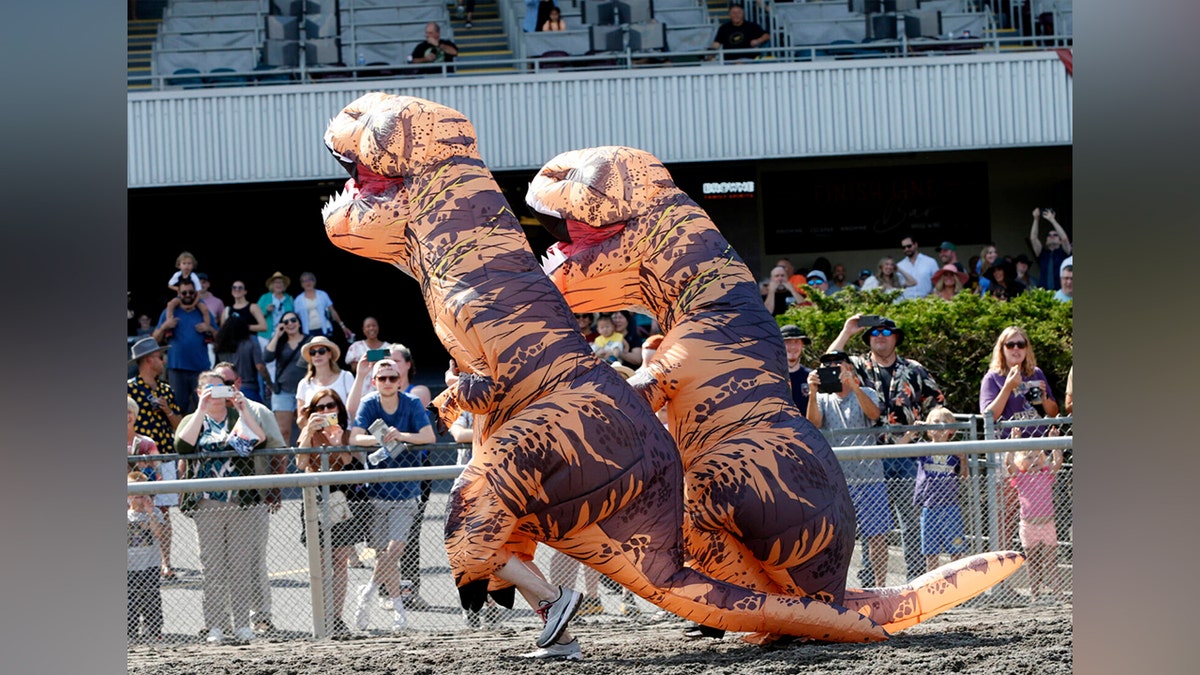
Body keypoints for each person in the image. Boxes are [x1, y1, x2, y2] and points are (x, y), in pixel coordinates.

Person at [827, 314, 946, 582]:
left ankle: (916, 578)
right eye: (874, 332)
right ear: (868, 339)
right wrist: (847, 331)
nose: (880, 335)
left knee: (912, 520)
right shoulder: (857, 366)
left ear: (895, 337)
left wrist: (922, 428)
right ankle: (871, 580)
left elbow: (937, 403)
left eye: (886, 331)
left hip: (907, 455)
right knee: (873, 524)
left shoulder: (914, 369)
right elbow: (830, 363)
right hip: (869, 456)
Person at [175, 370, 270, 645]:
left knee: (240, 566)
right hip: (207, 503)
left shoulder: (235, 418)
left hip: (239, 502)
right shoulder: (193, 420)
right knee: (213, 567)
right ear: (199, 391)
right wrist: (201, 408)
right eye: (210, 389)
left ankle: (242, 625)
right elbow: (183, 445)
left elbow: (259, 439)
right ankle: (215, 624)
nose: (216, 394)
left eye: (221, 388)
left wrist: (243, 408)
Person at [349, 359, 436, 632]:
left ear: (399, 380)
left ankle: (368, 592)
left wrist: (402, 436)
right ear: (374, 381)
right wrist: (381, 439)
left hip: (407, 490)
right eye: (381, 378)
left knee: (395, 549)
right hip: (376, 490)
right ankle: (399, 612)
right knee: (384, 556)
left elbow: (428, 436)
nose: (387, 382)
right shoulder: (369, 403)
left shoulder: (411, 403)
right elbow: (355, 438)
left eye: (391, 378)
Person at [212, 361, 288, 635]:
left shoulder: (257, 411)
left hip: (253, 498)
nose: (224, 389)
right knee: (218, 563)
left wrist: (274, 490)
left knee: (254, 560)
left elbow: (278, 451)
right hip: (216, 502)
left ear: (239, 384)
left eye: (229, 384)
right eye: (218, 385)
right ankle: (220, 621)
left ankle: (261, 617)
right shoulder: (208, 414)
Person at [804, 351, 889, 588]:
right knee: (836, 538)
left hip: (870, 479)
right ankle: (837, 587)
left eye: (837, 364)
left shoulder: (867, 391)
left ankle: (880, 587)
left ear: (849, 368)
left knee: (877, 536)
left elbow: (874, 414)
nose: (832, 367)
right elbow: (813, 424)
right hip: (837, 481)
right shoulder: (822, 398)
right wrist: (812, 391)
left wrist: (854, 386)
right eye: (827, 365)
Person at [979, 326, 1059, 555]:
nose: (1016, 349)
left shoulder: (1036, 373)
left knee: (1038, 515)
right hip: (1009, 453)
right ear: (1001, 349)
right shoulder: (992, 378)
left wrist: (1044, 398)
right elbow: (989, 415)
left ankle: (1040, 580)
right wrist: (1008, 387)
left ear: (1027, 348)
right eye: (1010, 344)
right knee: (1005, 513)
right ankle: (1003, 580)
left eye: (1020, 344)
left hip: (1036, 455)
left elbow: (1053, 412)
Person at [296, 388, 367, 636]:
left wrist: (338, 444)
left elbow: (350, 463)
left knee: (340, 561)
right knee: (320, 561)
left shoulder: (346, 433)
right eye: (320, 408)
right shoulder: (309, 433)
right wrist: (308, 430)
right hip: (316, 497)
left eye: (330, 407)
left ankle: (336, 617)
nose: (326, 412)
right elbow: (300, 463)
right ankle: (322, 615)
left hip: (341, 499)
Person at [127, 338, 183, 578]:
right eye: (160, 357)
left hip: (164, 455)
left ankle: (165, 562)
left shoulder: (166, 389)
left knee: (162, 509)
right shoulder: (128, 389)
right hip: (134, 456)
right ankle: (133, 561)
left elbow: (180, 426)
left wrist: (167, 410)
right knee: (132, 507)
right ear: (149, 360)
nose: (163, 361)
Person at [900, 406, 967, 573]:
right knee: (931, 551)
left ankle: (956, 583)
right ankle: (932, 585)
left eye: (945, 423)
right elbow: (899, 448)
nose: (940, 426)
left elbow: (965, 477)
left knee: (956, 549)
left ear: (951, 430)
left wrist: (963, 460)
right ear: (928, 429)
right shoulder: (923, 447)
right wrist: (912, 433)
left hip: (951, 507)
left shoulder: (954, 451)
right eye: (936, 422)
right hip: (929, 507)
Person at [1006, 447, 1066, 604]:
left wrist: (1054, 443)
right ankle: (1035, 594)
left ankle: (1058, 593)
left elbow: (1058, 460)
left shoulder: (1046, 474)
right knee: (1032, 562)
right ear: (1021, 462)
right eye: (1028, 457)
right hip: (1028, 526)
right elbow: (1008, 462)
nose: (1034, 461)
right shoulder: (1020, 477)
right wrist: (1013, 442)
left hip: (1047, 525)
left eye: (1037, 457)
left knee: (1051, 561)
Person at [127, 395, 176, 580]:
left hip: (143, 497)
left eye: (129, 412)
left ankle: (165, 562)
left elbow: (156, 467)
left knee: (157, 523)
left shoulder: (146, 442)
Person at [152, 278, 218, 413]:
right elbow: (154, 340)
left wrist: (209, 328)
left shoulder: (204, 312)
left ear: (196, 293)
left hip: (200, 369)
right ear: (179, 294)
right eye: (184, 293)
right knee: (178, 407)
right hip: (177, 368)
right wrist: (165, 326)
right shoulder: (169, 312)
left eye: (191, 292)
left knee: (204, 407)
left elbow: (220, 339)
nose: (188, 295)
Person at [127, 471, 165, 642]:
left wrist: (149, 513)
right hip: (130, 565)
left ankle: (154, 628)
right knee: (130, 600)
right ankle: (130, 631)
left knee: (152, 597)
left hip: (150, 564)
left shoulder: (155, 512)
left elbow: (158, 533)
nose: (140, 500)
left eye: (143, 496)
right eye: (136, 496)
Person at [263, 310, 311, 444]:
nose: (290, 324)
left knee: (306, 431)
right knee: (283, 432)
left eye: (293, 320)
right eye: (286, 322)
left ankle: (305, 464)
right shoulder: (280, 342)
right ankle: (281, 465)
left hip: (306, 390)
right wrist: (277, 335)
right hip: (283, 391)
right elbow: (266, 357)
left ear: (299, 323)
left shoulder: (309, 340)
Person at [213, 312, 268, 405]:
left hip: (226, 390)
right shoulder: (251, 341)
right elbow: (260, 366)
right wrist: (269, 383)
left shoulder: (221, 344)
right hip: (249, 388)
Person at [296, 336, 356, 417]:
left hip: (343, 428)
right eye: (313, 352)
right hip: (315, 429)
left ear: (329, 354)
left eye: (321, 351)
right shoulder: (304, 383)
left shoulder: (346, 377)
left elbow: (354, 411)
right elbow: (300, 420)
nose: (317, 355)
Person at [293, 272, 352, 341]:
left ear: (314, 282)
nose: (308, 283)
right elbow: (296, 318)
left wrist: (343, 326)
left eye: (310, 280)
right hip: (308, 332)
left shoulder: (323, 294)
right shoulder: (298, 300)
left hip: (325, 329)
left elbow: (332, 311)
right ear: (302, 284)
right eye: (305, 281)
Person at [1028, 207, 1072, 290]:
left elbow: (1064, 238)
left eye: (1055, 235)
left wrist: (1052, 220)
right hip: (1043, 291)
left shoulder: (1064, 252)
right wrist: (1036, 219)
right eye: (1049, 235)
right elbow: (1033, 238)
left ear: (1060, 241)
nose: (1051, 237)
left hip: (1061, 291)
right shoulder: (1042, 253)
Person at [780, 324, 813, 410]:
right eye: (788, 342)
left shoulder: (811, 377)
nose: (793, 347)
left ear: (802, 345)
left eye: (797, 342)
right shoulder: (769, 377)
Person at [897, 235, 940, 299]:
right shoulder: (899, 265)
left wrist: (932, 296)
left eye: (909, 246)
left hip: (927, 302)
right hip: (906, 304)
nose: (906, 249)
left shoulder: (930, 262)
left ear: (915, 245)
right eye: (904, 247)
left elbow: (939, 283)